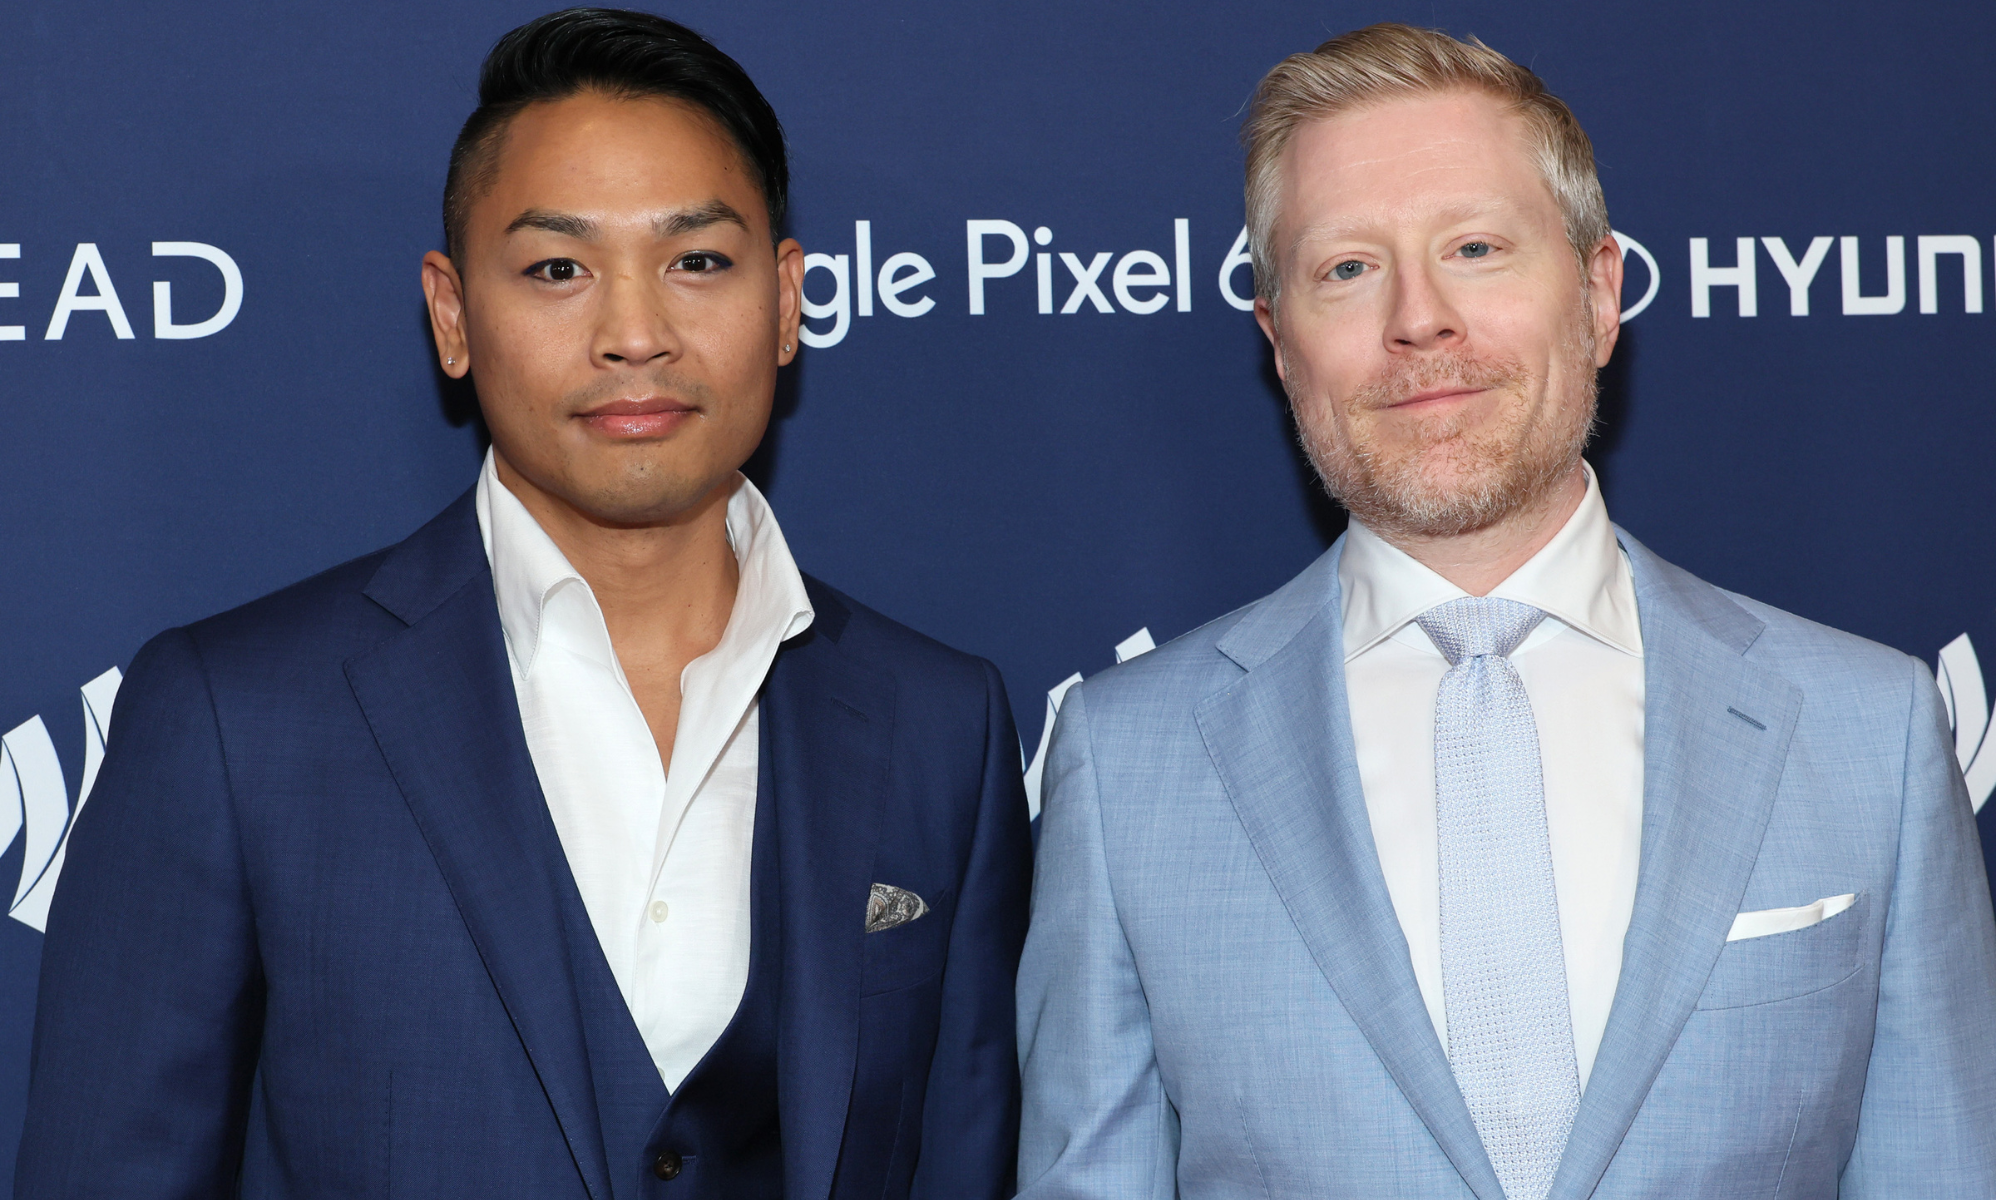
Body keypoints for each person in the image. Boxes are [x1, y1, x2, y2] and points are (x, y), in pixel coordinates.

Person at [16, 10, 1029, 1199]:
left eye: (697, 260)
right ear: (453, 315)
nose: (635, 335)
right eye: (557, 269)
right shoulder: (237, 719)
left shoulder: (936, 722)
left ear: (789, 296)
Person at [1016, 23, 1996, 1200]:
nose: (1418, 319)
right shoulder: (1127, 766)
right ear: (1279, 349)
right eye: (1344, 268)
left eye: (1475, 247)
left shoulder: (1867, 732)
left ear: (1597, 293)